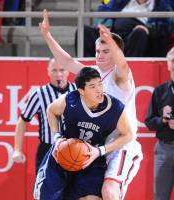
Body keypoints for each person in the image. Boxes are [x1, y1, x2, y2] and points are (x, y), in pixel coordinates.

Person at [39, 9, 143, 200]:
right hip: (97, 147)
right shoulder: (92, 73)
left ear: (116, 52)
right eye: (97, 51)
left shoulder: (120, 78)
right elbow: (67, 61)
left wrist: (112, 41)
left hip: (122, 145)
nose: (100, 55)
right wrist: (47, 36)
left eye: (106, 51)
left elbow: (123, 66)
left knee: (109, 192)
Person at [34, 67, 133, 200]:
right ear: (81, 91)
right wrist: (57, 137)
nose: (99, 90)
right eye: (92, 86)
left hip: (91, 157)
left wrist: (100, 151)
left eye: (100, 84)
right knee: (45, 197)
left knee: (92, 198)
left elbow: (128, 135)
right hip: (63, 153)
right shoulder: (70, 100)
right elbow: (51, 110)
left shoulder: (115, 107)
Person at [12, 58, 76, 173]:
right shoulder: (39, 94)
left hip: (74, 149)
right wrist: (17, 149)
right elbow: (23, 120)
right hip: (48, 149)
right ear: (48, 71)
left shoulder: (77, 91)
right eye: (54, 70)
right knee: (43, 189)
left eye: (62, 70)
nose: (58, 74)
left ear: (68, 71)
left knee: (74, 189)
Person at [78, 0, 171, 57]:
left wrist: (148, 29)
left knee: (139, 33)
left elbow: (168, 24)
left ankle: (130, 72)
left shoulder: (162, 3)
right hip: (114, 34)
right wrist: (107, 25)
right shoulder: (119, 1)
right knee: (84, 31)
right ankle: (89, 72)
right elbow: (103, 11)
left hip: (137, 36)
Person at [144, 47, 174, 200]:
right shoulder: (160, 91)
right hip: (165, 149)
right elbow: (149, 122)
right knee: (160, 197)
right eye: (173, 61)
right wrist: (163, 120)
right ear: (168, 64)